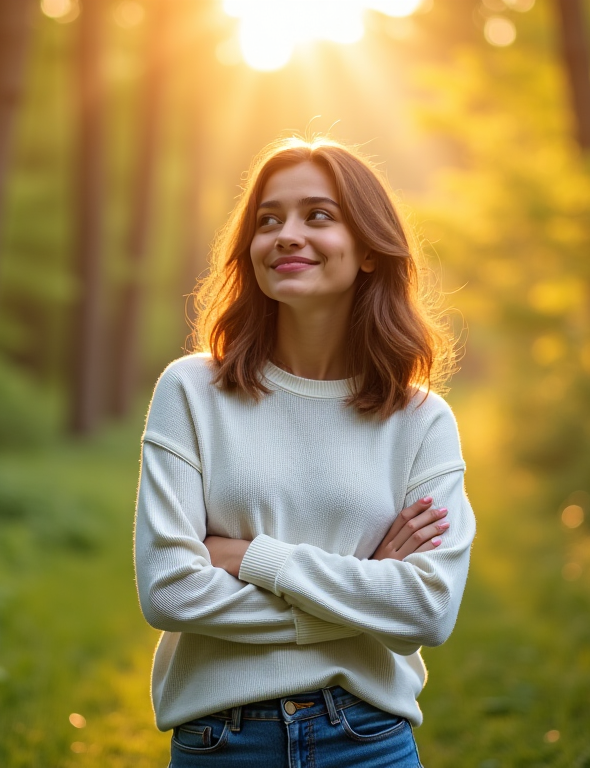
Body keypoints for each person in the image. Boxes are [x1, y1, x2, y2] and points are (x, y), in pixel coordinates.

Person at [133, 135, 474, 767]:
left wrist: (250, 556)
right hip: (221, 742)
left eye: (318, 215)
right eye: (269, 220)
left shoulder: (422, 420)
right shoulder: (192, 391)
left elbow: (428, 608)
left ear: (369, 249)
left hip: (369, 740)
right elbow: (170, 591)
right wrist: (368, 592)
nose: (287, 234)